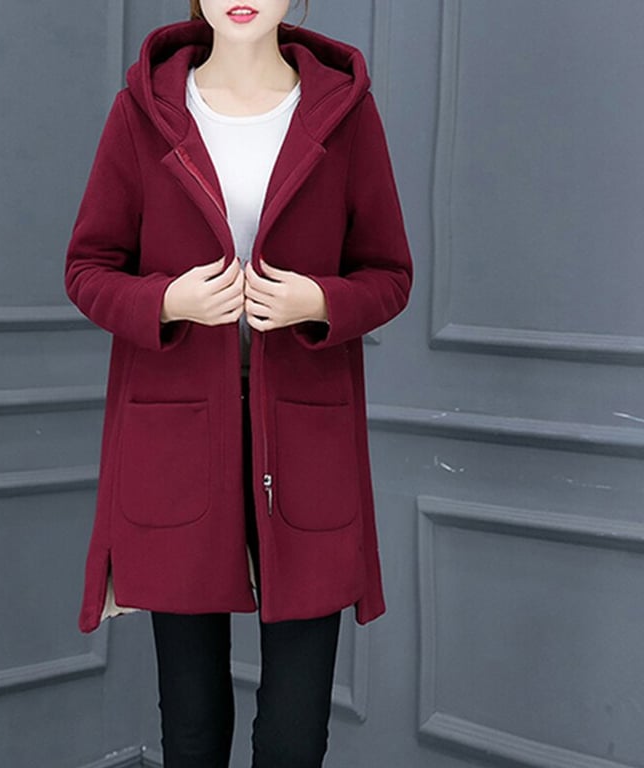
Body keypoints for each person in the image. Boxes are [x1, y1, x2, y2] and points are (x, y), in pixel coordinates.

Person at [64, 1, 412, 765]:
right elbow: (87, 268)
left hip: (309, 443)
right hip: (178, 442)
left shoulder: (345, 114)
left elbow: (390, 274)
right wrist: (167, 301)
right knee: (191, 726)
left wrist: (319, 302)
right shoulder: (142, 111)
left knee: (295, 734)